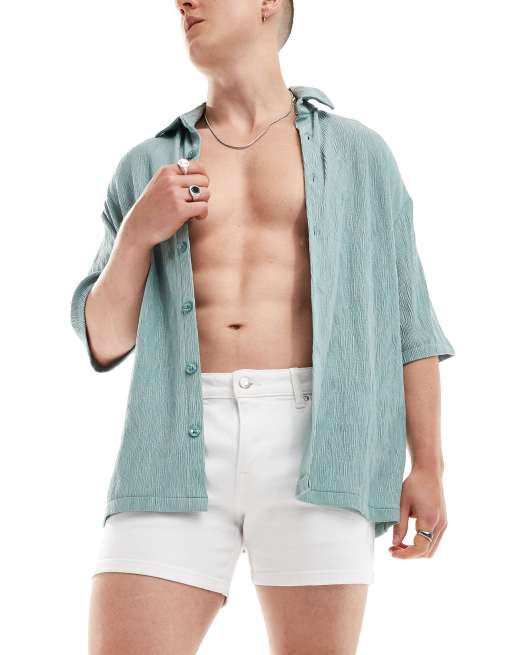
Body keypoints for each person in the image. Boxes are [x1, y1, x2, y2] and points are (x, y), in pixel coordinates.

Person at [71, 1, 455, 653]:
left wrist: (429, 465)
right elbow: (103, 340)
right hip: (173, 446)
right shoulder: (147, 165)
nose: (183, 1)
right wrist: (137, 233)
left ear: (267, 4)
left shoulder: (357, 154)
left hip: (321, 440)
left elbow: (409, 320)